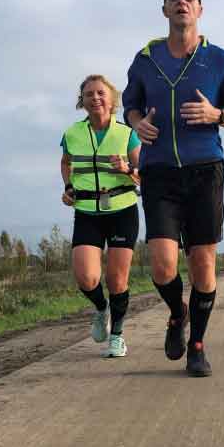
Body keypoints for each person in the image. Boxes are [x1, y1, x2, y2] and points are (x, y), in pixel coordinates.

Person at [122, 0, 224, 377]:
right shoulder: (145, 60)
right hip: (159, 170)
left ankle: (197, 345)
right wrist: (137, 123)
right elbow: (130, 106)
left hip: (204, 171)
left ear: (199, 9)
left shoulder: (221, 60)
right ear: (164, 9)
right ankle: (178, 313)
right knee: (162, 265)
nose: (181, 1)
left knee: (202, 266)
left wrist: (217, 115)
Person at [61, 74, 141, 358]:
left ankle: (117, 335)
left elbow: (144, 176)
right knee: (86, 278)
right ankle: (100, 308)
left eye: (100, 93)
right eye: (89, 94)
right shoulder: (72, 133)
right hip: (86, 212)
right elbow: (66, 163)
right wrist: (68, 188)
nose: (95, 98)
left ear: (112, 99)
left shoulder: (127, 133)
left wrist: (126, 170)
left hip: (122, 210)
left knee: (117, 280)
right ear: (81, 101)